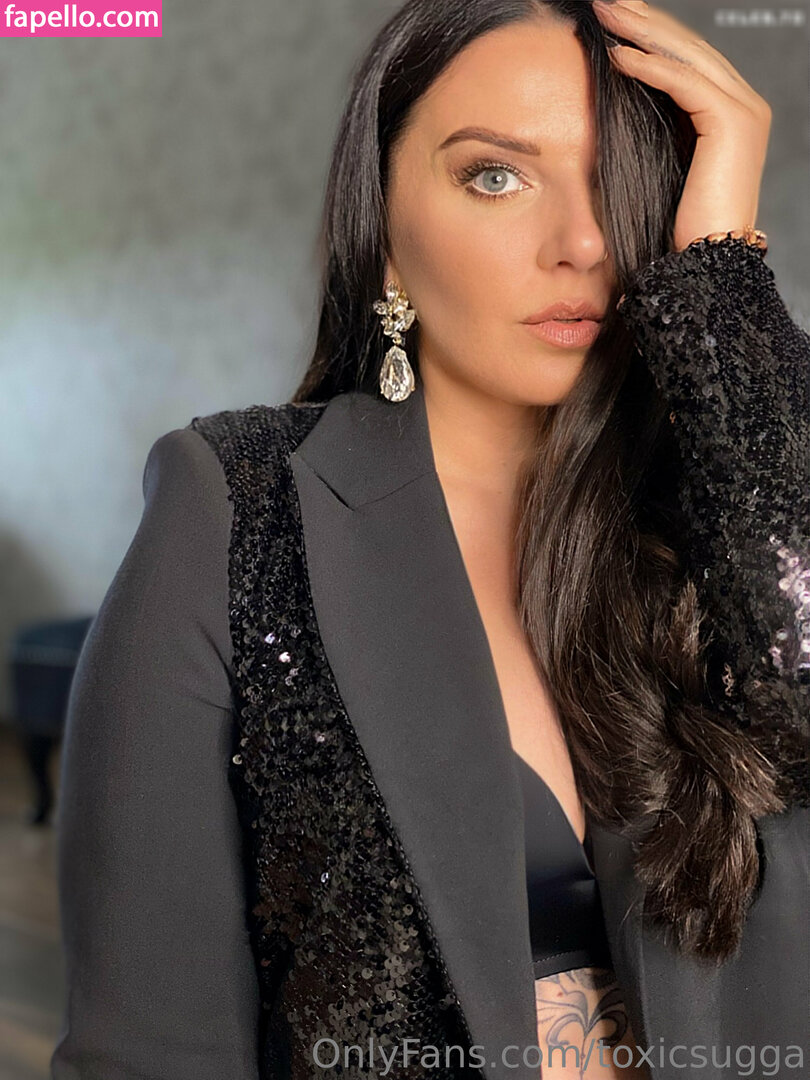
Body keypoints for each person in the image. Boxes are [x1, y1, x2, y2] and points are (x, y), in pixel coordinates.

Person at [51, 1, 809, 1078]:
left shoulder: (727, 520)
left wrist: (725, 280)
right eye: (495, 176)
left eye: (617, 181)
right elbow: (148, 1051)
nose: (584, 242)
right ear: (386, 235)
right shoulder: (241, 506)